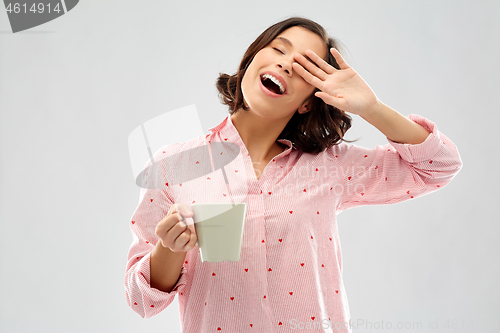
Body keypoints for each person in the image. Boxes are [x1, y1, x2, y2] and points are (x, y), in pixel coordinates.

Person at [124, 17, 462, 333]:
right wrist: (170, 248)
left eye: (304, 67)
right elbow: (141, 300)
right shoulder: (175, 164)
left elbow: (439, 164)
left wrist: (372, 109)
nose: (286, 64)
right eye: (279, 49)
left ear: (307, 103)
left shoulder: (330, 166)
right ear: (251, 61)